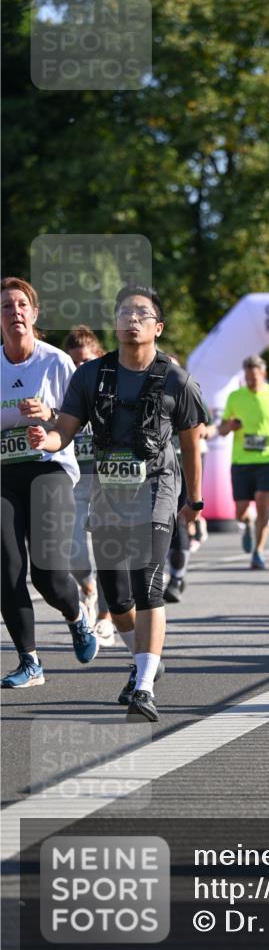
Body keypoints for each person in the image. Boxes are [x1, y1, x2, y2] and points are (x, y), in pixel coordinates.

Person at [28, 285, 207, 721]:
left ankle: (144, 687)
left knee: (148, 583)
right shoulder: (91, 376)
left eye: (141, 313)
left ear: (157, 328)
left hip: (158, 491)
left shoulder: (177, 380)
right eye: (123, 312)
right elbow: (65, 429)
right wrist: (46, 438)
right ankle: (145, 658)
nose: (130, 319)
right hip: (110, 496)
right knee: (117, 599)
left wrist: (195, 500)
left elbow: (190, 444)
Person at [1, 277, 97, 689]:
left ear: (34, 314)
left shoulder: (55, 361)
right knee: (6, 568)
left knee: (48, 572)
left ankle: (78, 616)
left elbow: (78, 420)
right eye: (6, 306)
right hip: (4, 472)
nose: (15, 311)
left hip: (50, 467)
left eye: (22, 304)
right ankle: (30, 661)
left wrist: (49, 415)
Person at [64, 325, 117, 647]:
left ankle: (105, 618)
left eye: (85, 361)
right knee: (75, 555)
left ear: (98, 357)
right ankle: (88, 587)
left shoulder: (113, 388)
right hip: (76, 481)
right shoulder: (65, 390)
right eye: (74, 363)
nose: (79, 368)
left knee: (110, 552)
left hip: (109, 482)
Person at [219, 355, 269, 570]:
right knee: (241, 511)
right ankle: (246, 525)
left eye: (254, 376)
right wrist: (231, 426)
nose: (251, 380)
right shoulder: (235, 396)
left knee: (263, 503)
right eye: (248, 377)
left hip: (267, 458)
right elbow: (222, 428)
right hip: (241, 460)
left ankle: (259, 551)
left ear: (263, 374)